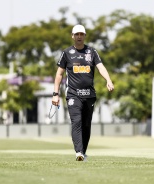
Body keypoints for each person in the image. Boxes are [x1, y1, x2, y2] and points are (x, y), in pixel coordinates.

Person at [52, 24, 114, 161]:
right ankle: (78, 152)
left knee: (86, 125)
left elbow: (100, 67)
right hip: (73, 95)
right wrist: (55, 94)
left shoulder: (92, 52)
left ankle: (83, 152)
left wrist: (108, 80)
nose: (79, 37)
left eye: (81, 34)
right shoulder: (66, 53)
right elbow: (59, 75)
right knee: (77, 121)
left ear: (85, 36)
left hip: (90, 95)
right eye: (76, 34)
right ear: (72, 36)